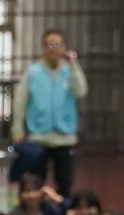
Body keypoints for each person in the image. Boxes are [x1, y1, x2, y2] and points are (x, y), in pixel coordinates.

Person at [16, 29, 88, 197]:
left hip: (64, 138)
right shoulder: (33, 72)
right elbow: (20, 101)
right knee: (35, 181)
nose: (53, 49)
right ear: (42, 48)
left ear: (64, 46)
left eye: (57, 44)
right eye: (49, 45)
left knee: (65, 181)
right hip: (38, 137)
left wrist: (74, 65)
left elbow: (81, 91)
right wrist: (17, 130)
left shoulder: (70, 71)